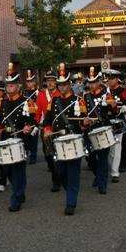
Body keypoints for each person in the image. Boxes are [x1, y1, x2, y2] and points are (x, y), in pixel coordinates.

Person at [42, 64, 88, 215]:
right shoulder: (53, 101)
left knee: (73, 173)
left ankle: (71, 203)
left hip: (73, 140)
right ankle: (70, 192)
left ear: (69, 85)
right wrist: (47, 129)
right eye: (59, 85)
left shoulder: (79, 100)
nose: (61, 87)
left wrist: (85, 123)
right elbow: (47, 120)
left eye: (64, 85)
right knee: (60, 172)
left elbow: (83, 122)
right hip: (58, 141)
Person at [0, 63, 36, 211]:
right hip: (6, 138)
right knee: (8, 170)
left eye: (12, 85)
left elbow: (33, 121)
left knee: (18, 169)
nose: (9, 88)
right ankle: (20, 192)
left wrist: (28, 127)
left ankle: (16, 199)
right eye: (7, 86)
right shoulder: (3, 103)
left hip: (20, 139)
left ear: (18, 86)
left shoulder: (26, 102)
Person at [104, 70, 126, 184]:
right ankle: (110, 168)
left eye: (112, 78)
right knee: (107, 148)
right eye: (108, 78)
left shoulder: (123, 91)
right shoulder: (104, 91)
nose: (109, 81)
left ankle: (115, 172)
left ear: (116, 79)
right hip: (105, 122)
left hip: (117, 122)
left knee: (116, 148)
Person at [36, 69, 61, 191]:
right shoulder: (41, 95)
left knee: (59, 153)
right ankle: (55, 172)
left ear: (56, 82)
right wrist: (38, 123)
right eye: (48, 81)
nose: (50, 83)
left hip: (58, 128)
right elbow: (37, 112)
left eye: (52, 80)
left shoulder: (60, 93)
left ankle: (56, 180)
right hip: (45, 128)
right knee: (48, 155)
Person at [23, 69, 39, 164]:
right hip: (26, 116)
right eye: (28, 81)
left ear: (34, 82)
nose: (29, 83)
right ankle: (25, 153)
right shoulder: (24, 92)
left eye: (31, 81)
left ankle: (33, 155)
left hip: (34, 117)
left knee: (33, 137)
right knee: (25, 137)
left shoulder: (38, 92)